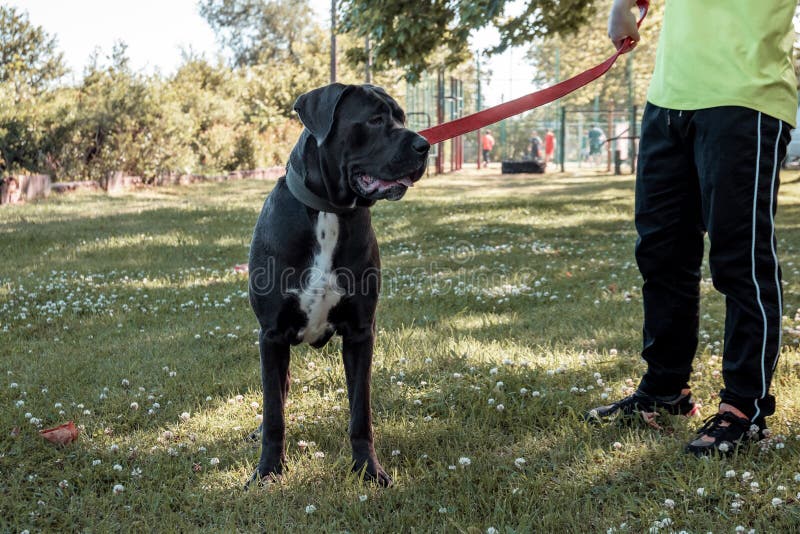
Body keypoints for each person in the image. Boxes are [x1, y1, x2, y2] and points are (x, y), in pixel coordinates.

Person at [588, 0, 797, 456]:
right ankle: (665, 389)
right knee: (661, 255)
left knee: (740, 260)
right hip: (668, 100)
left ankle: (746, 407)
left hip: (746, 97)